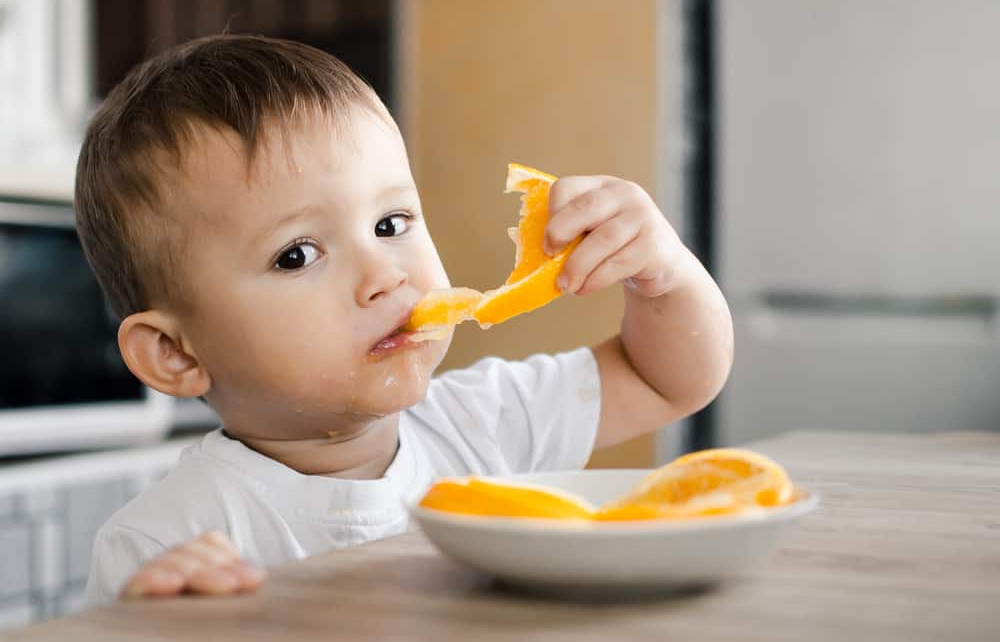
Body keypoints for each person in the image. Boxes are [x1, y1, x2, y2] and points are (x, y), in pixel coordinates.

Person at [75, 34, 734, 605]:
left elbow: (665, 379)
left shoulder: (479, 426)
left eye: (390, 224)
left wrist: (663, 272)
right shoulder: (167, 542)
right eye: (297, 255)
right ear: (176, 353)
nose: (386, 276)